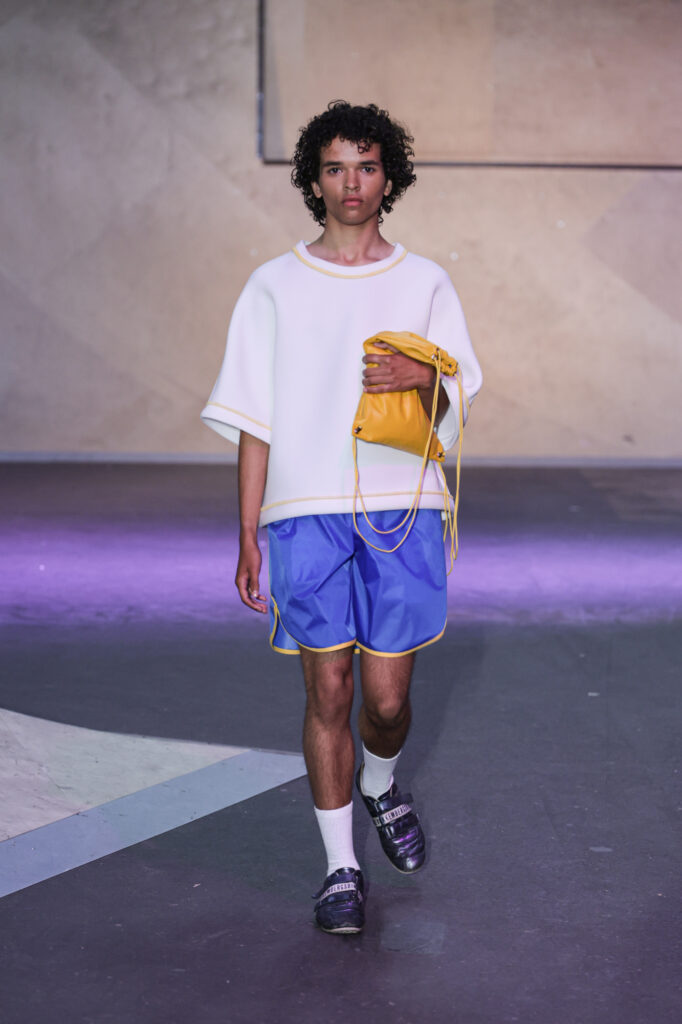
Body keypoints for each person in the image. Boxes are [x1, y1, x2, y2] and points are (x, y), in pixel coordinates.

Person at [201, 100, 482, 934]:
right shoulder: (273, 284)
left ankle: (379, 785)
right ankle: (340, 869)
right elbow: (254, 419)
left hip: (402, 505)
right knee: (327, 685)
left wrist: (424, 378)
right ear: (313, 180)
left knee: (386, 701)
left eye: (366, 166)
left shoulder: (426, 282)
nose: (351, 183)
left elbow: (458, 391)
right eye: (334, 167)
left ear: (389, 178)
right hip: (303, 510)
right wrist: (248, 530)